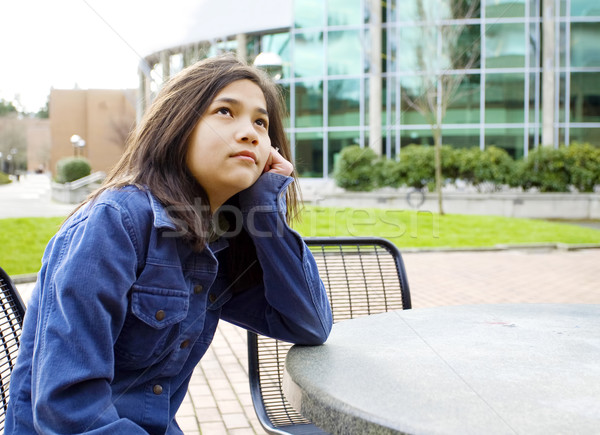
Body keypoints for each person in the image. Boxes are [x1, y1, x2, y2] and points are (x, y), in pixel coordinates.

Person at [6, 54, 333, 434]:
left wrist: (264, 206)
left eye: (261, 122)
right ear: (178, 125)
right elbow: (68, 409)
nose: (251, 133)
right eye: (225, 112)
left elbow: (308, 324)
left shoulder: (219, 240)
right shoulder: (116, 223)